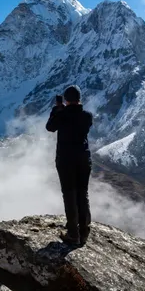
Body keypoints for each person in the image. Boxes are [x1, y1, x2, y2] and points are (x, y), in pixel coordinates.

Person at [46, 85, 93, 246]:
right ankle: (84, 230)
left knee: (69, 194)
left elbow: (50, 127)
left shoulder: (62, 114)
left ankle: (73, 233)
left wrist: (57, 110)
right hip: (83, 159)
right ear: (80, 98)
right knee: (82, 192)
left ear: (65, 100)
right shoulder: (87, 116)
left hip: (66, 160)